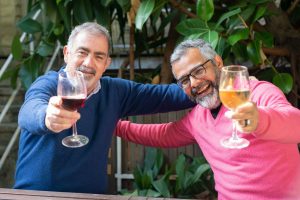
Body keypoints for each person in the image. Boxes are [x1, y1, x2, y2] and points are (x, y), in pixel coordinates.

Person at [14, 22, 195, 194]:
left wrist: (210, 85)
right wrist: (46, 116)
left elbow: (169, 96)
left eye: (98, 56)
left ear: (106, 63)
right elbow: (29, 111)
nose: (88, 63)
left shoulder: (115, 92)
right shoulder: (47, 84)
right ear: (67, 53)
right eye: (82, 52)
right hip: (37, 195)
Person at [115, 39, 300, 199]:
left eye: (198, 70)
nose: (194, 83)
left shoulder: (259, 92)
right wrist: (115, 127)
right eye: (185, 80)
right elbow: (163, 134)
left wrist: (260, 119)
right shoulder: (198, 118)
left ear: (217, 62)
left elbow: (296, 125)